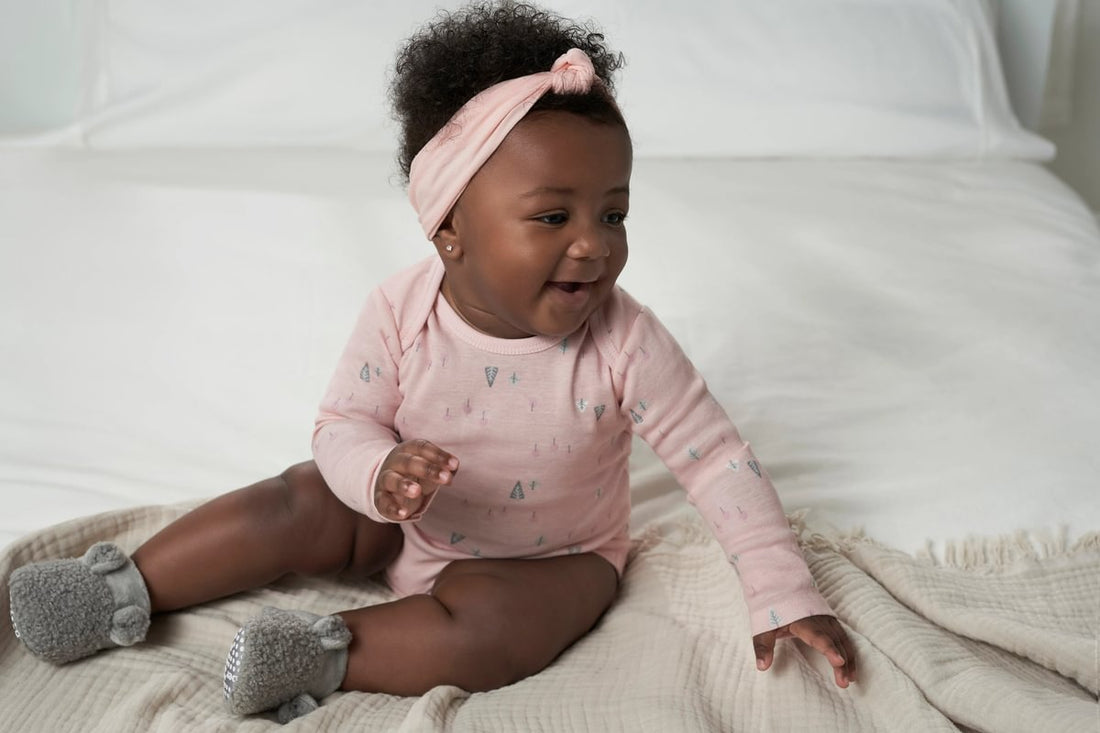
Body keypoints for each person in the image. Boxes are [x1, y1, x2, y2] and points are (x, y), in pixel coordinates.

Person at [8, 1, 856, 722]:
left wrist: (784, 592)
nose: (595, 246)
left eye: (615, 213)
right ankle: (120, 589)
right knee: (299, 495)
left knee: (493, 631)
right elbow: (343, 423)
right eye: (553, 217)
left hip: (551, 561)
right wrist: (379, 473)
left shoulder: (626, 340)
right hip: (404, 516)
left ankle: (319, 654)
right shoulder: (399, 312)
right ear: (450, 229)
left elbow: (717, 462)